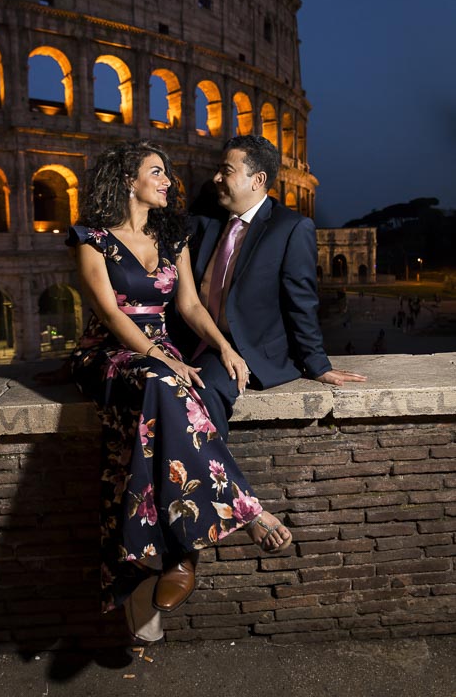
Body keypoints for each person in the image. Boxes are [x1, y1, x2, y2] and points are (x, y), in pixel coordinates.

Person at [65, 140, 292, 643]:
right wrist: (163, 358)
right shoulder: (91, 239)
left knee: (158, 409)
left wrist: (224, 349)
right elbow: (110, 314)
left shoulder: (173, 233)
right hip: (108, 354)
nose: (169, 181)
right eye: (157, 172)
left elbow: (189, 306)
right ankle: (244, 510)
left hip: (162, 357)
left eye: (166, 173)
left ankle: (168, 558)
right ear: (128, 179)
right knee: (164, 382)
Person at [172, 135, 366, 438]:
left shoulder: (290, 228)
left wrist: (317, 364)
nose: (216, 178)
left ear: (257, 180)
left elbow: (300, 301)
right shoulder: (206, 219)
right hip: (189, 338)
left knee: (198, 394)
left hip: (241, 347)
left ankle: (215, 479)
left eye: (226, 170)